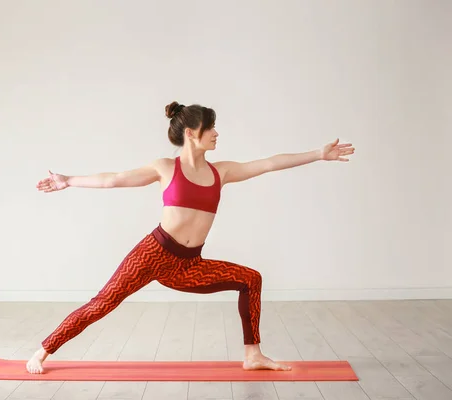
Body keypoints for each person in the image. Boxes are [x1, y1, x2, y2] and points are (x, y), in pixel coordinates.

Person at [27, 101, 355, 374]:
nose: (215, 133)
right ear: (190, 133)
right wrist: (68, 180)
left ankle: (253, 355)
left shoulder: (220, 172)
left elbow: (268, 164)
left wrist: (317, 154)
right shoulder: (165, 168)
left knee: (250, 279)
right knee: (102, 304)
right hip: (152, 254)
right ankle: (43, 350)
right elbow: (114, 179)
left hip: (189, 266)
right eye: (209, 128)